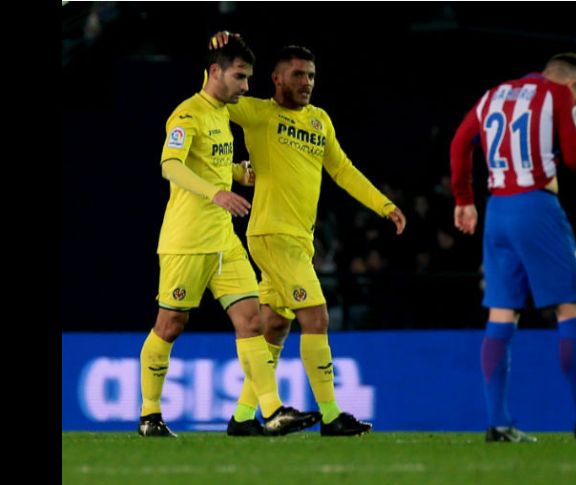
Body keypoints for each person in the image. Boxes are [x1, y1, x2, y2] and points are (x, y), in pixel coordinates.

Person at [210, 33, 407, 436]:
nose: (306, 82)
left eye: (312, 76)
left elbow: (343, 170)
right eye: (298, 74)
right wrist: (217, 55)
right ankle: (332, 416)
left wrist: (383, 204)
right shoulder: (257, 113)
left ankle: (243, 417)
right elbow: (214, 94)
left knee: (275, 328)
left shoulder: (319, 121)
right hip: (271, 235)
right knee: (315, 316)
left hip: (299, 239)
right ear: (277, 79)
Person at [450, 52, 576, 442]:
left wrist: (463, 198)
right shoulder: (560, 94)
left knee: (502, 315)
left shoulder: (494, 94)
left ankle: (498, 423)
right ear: (572, 85)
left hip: (497, 211)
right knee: (572, 307)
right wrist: (568, 122)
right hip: (536, 207)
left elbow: (459, 142)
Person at [139, 36, 320, 438]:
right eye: (240, 76)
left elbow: (213, 162)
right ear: (215, 72)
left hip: (224, 239)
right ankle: (149, 414)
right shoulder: (187, 114)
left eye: (249, 77)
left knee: (251, 320)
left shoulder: (223, 113)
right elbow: (170, 165)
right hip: (187, 239)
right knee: (170, 325)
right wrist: (216, 192)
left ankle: (272, 411)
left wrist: (238, 174)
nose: (246, 86)